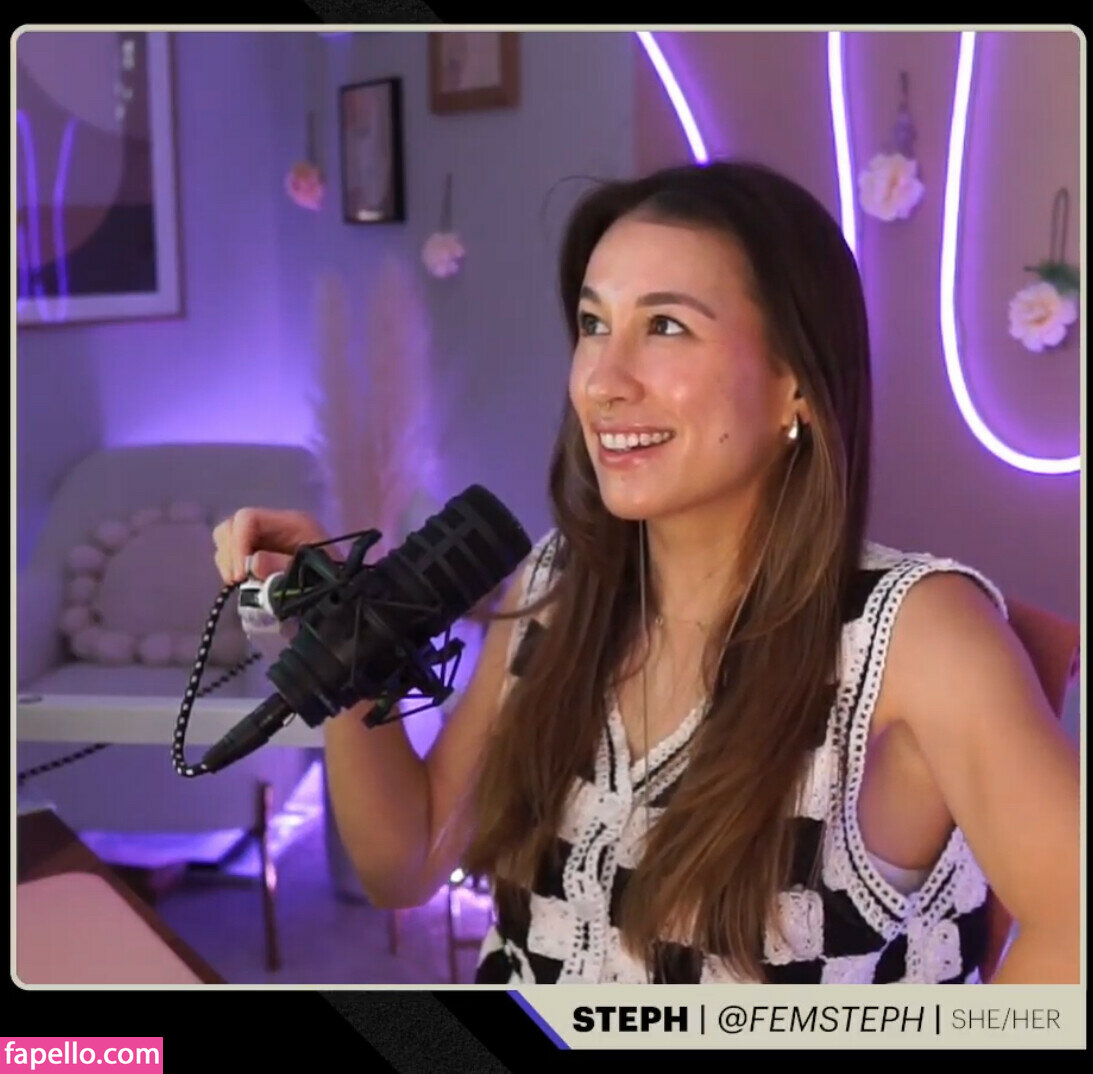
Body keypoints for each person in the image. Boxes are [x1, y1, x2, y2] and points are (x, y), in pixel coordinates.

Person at [212, 160, 1078, 984]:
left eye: (665, 327)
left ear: (795, 383)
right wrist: (343, 634)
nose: (601, 381)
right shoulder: (557, 586)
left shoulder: (916, 636)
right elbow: (404, 862)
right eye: (594, 325)